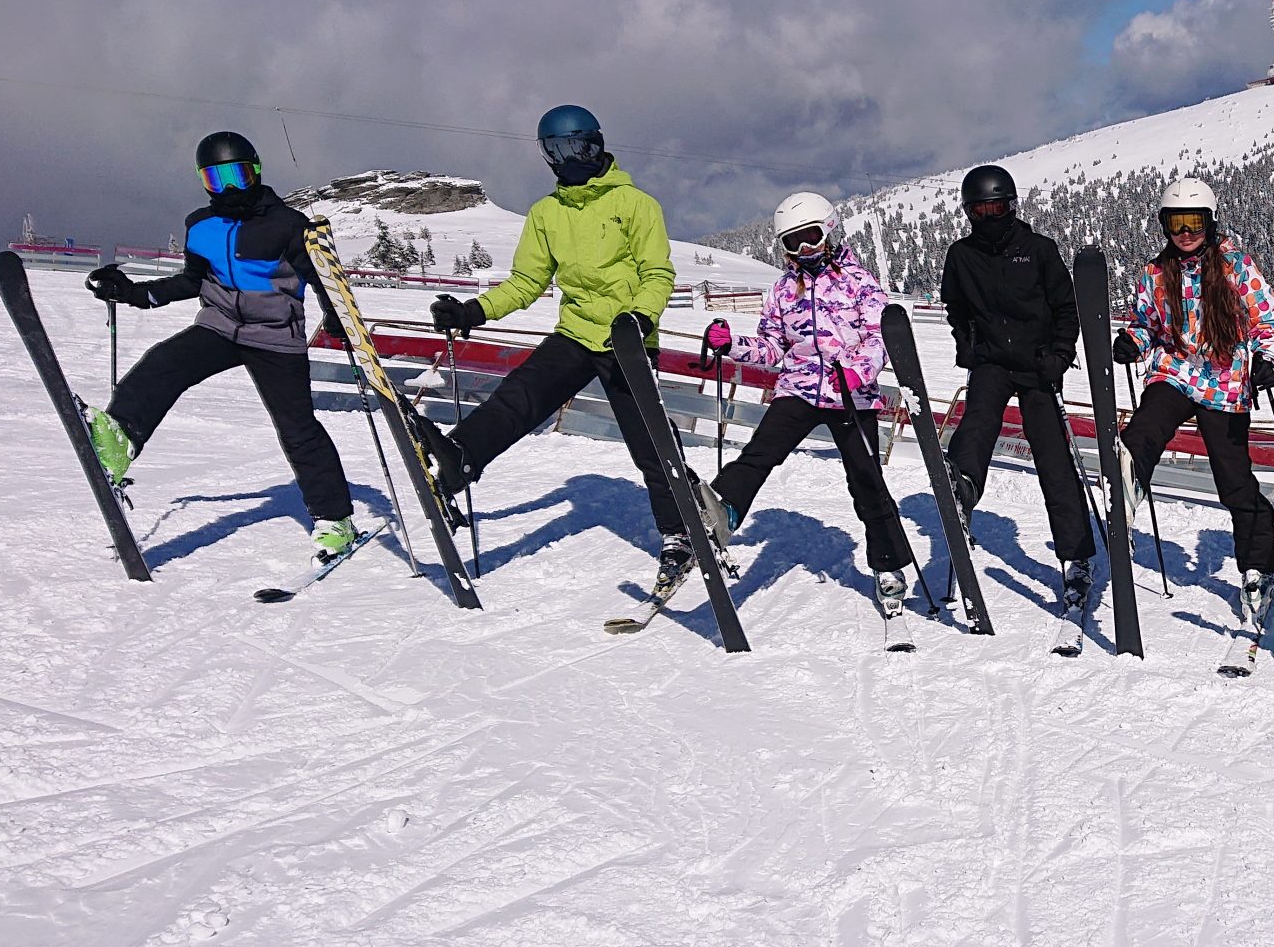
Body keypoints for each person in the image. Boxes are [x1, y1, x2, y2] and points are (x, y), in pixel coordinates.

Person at [412, 104, 685, 586]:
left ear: (596, 144)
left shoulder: (636, 205)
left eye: (575, 146)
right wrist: (474, 312)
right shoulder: (547, 213)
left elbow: (658, 273)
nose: (567, 158)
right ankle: (460, 458)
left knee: (649, 444)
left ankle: (680, 533)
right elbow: (526, 282)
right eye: (555, 150)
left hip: (627, 337)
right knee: (521, 394)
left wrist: (639, 316)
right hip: (578, 333)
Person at [82, 132, 360, 563]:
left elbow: (324, 280)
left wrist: (337, 317)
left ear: (257, 172)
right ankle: (121, 438)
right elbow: (193, 281)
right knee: (163, 364)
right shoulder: (201, 226)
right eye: (217, 178)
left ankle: (335, 519)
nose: (229, 188)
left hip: (275, 337)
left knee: (297, 429)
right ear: (203, 182)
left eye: (238, 175)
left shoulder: (289, 225)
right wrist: (135, 293)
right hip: (220, 327)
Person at [697, 192, 919, 615]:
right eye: (793, 242)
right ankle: (723, 508)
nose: (804, 250)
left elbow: (880, 337)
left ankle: (889, 567)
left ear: (830, 231)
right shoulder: (783, 290)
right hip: (798, 388)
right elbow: (770, 346)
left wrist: (858, 370)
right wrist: (733, 347)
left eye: (812, 237)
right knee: (761, 452)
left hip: (850, 392)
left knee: (866, 479)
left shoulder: (859, 282)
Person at [1107, 177, 1274, 621]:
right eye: (1175, 223)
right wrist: (1133, 339)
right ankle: (1126, 489)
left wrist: (1269, 359)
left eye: (1194, 222)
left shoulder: (1236, 267)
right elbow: (1146, 322)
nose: (1185, 232)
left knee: (1234, 481)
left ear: (1210, 222)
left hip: (1225, 380)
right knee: (1144, 430)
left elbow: (1268, 323)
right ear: (1164, 225)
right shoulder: (1155, 273)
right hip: (1176, 370)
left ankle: (1257, 568)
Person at [939, 164, 1096, 610]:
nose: (990, 218)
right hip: (992, 360)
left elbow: (1067, 309)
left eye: (997, 208)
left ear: (1011, 206)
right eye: (980, 211)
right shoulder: (961, 256)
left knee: (1052, 459)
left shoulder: (1039, 250)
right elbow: (956, 307)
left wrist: (1059, 356)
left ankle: (1076, 556)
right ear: (970, 213)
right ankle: (963, 484)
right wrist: (966, 343)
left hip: (1037, 365)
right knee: (979, 420)